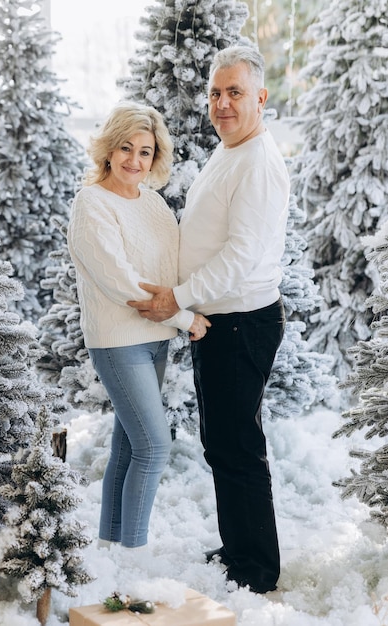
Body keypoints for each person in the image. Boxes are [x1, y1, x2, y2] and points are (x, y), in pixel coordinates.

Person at [127, 45, 290, 592]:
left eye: (235, 93)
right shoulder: (232, 150)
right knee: (223, 441)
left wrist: (180, 297)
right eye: (216, 93)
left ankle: (256, 570)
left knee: (237, 445)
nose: (221, 103)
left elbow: (240, 256)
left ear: (261, 98)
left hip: (241, 322)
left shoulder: (258, 163)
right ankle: (240, 547)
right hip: (221, 321)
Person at [67, 102, 211, 552]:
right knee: (153, 448)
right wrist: (186, 318)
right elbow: (121, 282)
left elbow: (167, 272)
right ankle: (134, 558)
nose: (134, 160)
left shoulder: (152, 203)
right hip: (119, 340)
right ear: (109, 149)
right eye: (126, 148)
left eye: (145, 152)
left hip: (155, 341)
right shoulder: (91, 202)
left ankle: (110, 553)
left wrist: (184, 303)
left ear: (155, 158)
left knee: (130, 448)